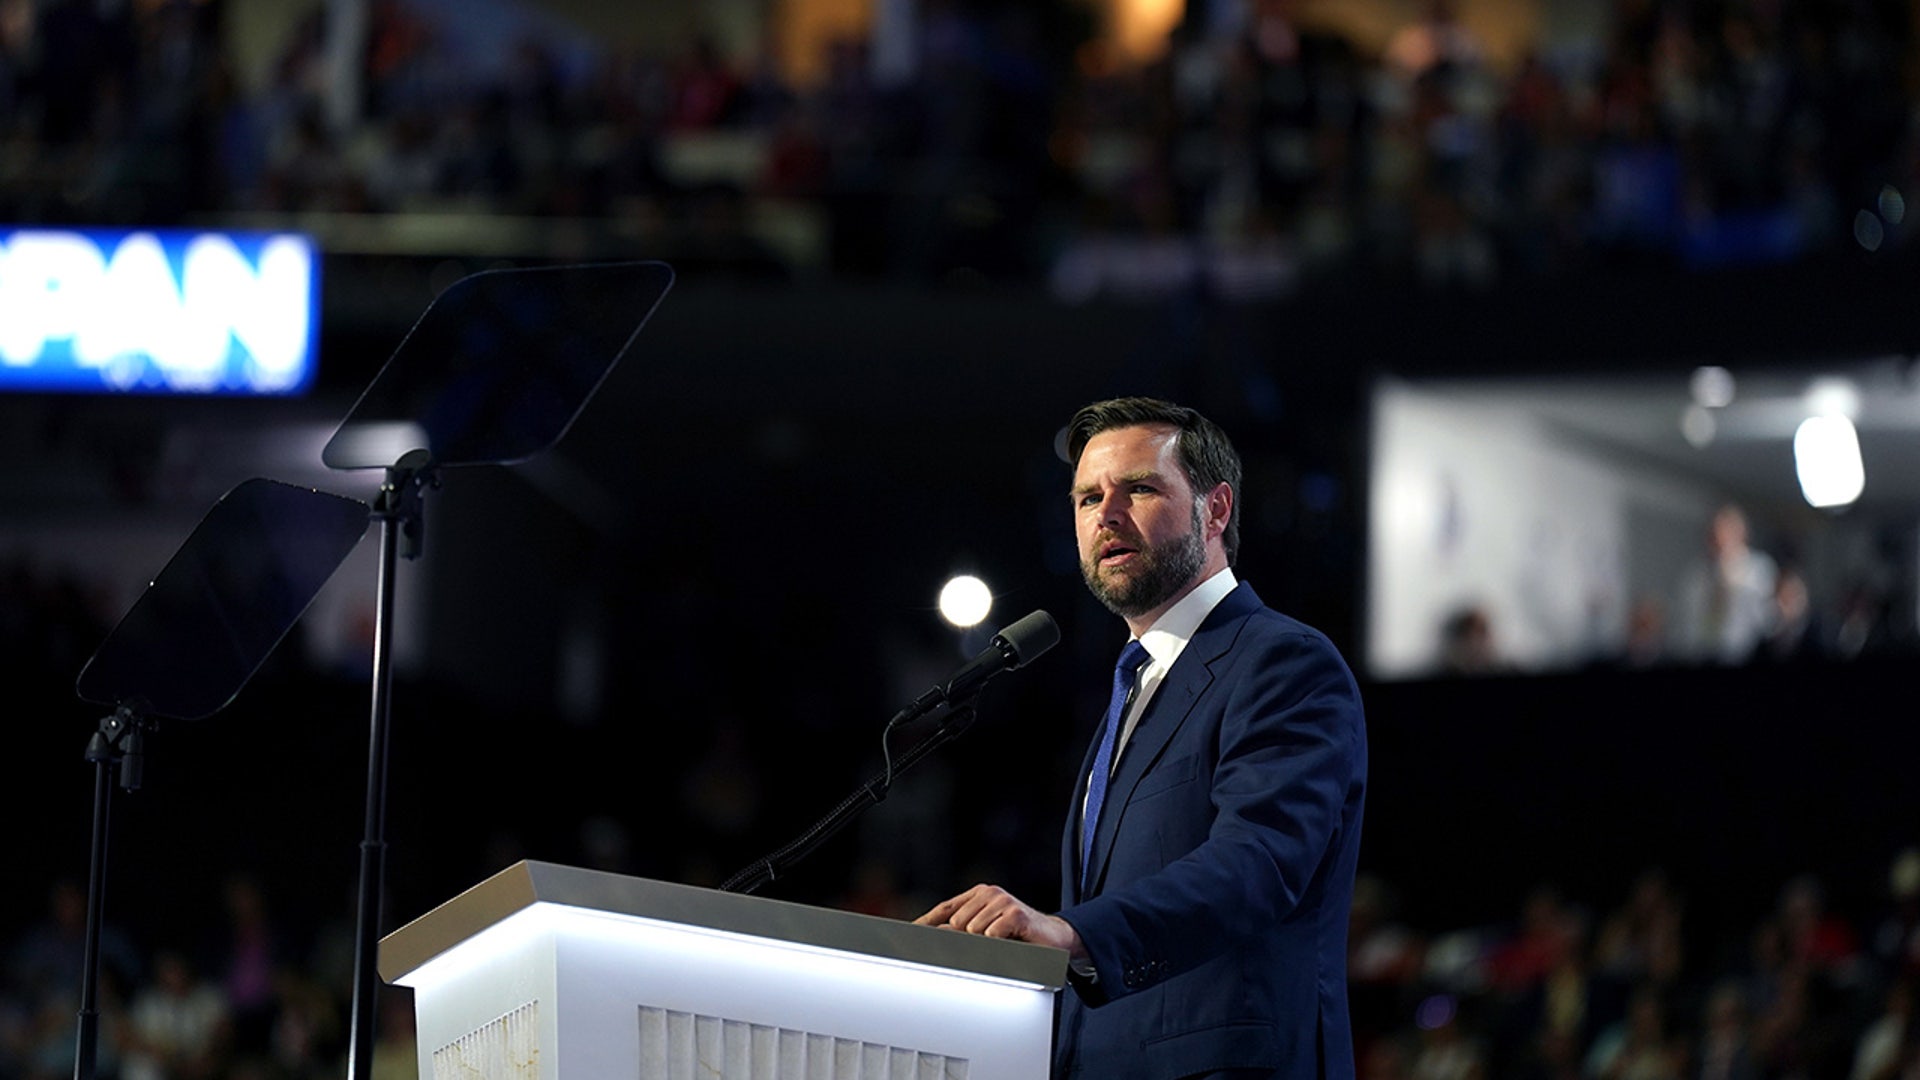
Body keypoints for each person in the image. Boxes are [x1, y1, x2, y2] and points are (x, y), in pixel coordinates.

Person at [915, 397, 1369, 1080]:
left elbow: (1258, 862)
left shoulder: (1281, 661)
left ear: (1216, 510)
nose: (1107, 514)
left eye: (1139, 489)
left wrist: (1071, 932)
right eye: (1087, 498)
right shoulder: (1135, 687)